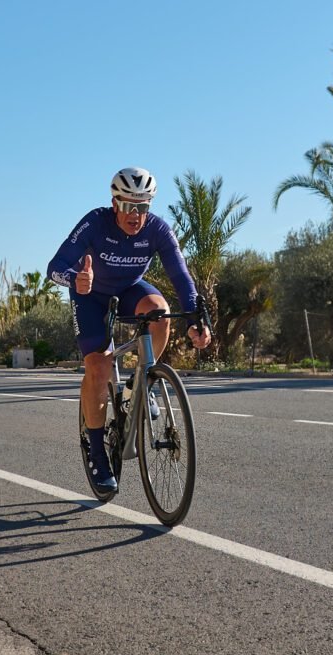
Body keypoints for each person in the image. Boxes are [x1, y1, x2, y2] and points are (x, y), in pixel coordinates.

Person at [47, 167, 211, 495]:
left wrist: (197, 319)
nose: (135, 215)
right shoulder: (95, 221)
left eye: (143, 207)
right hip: (90, 294)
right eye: (128, 206)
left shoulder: (158, 230)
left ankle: (141, 383)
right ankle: (96, 451)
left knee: (160, 313)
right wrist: (75, 279)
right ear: (114, 203)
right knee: (99, 364)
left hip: (129, 289)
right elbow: (55, 267)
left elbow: (181, 277)